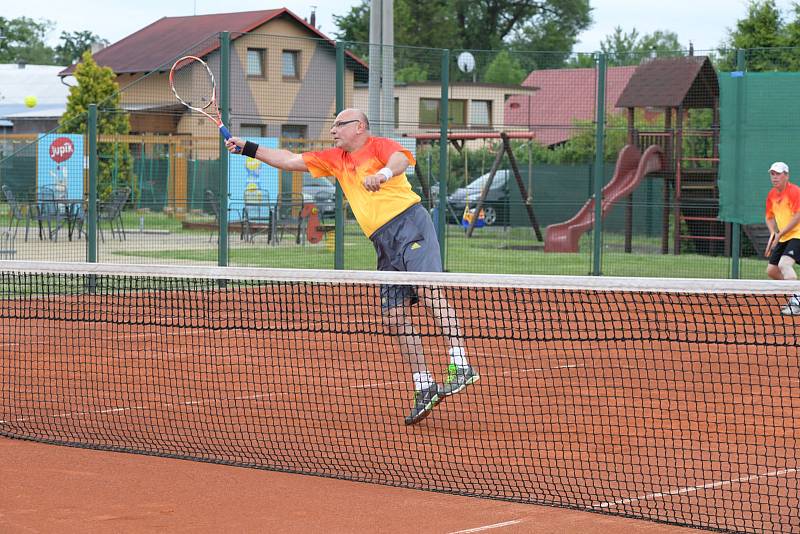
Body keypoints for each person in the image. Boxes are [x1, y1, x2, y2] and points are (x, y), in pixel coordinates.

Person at [225, 108, 479, 424]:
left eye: (338, 125)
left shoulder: (378, 145)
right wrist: (247, 148)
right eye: (332, 126)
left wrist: (383, 174)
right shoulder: (335, 158)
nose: (333, 131)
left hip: (411, 224)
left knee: (428, 291)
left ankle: (460, 362)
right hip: (383, 242)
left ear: (358, 127)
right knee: (393, 317)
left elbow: (400, 160)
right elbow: (289, 160)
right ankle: (425, 384)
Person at [764, 161, 800, 316]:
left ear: (786, 175)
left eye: (778, 174)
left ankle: (797, 301)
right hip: (784, 236)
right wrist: (773, 233)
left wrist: (780, 233)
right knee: (772, 270)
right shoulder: (772, 195)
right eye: (772, 174)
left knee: (784, 264)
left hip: (798, 234)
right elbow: (769, 217)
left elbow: (798, 216)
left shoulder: (795, 192)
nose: (775, 177)